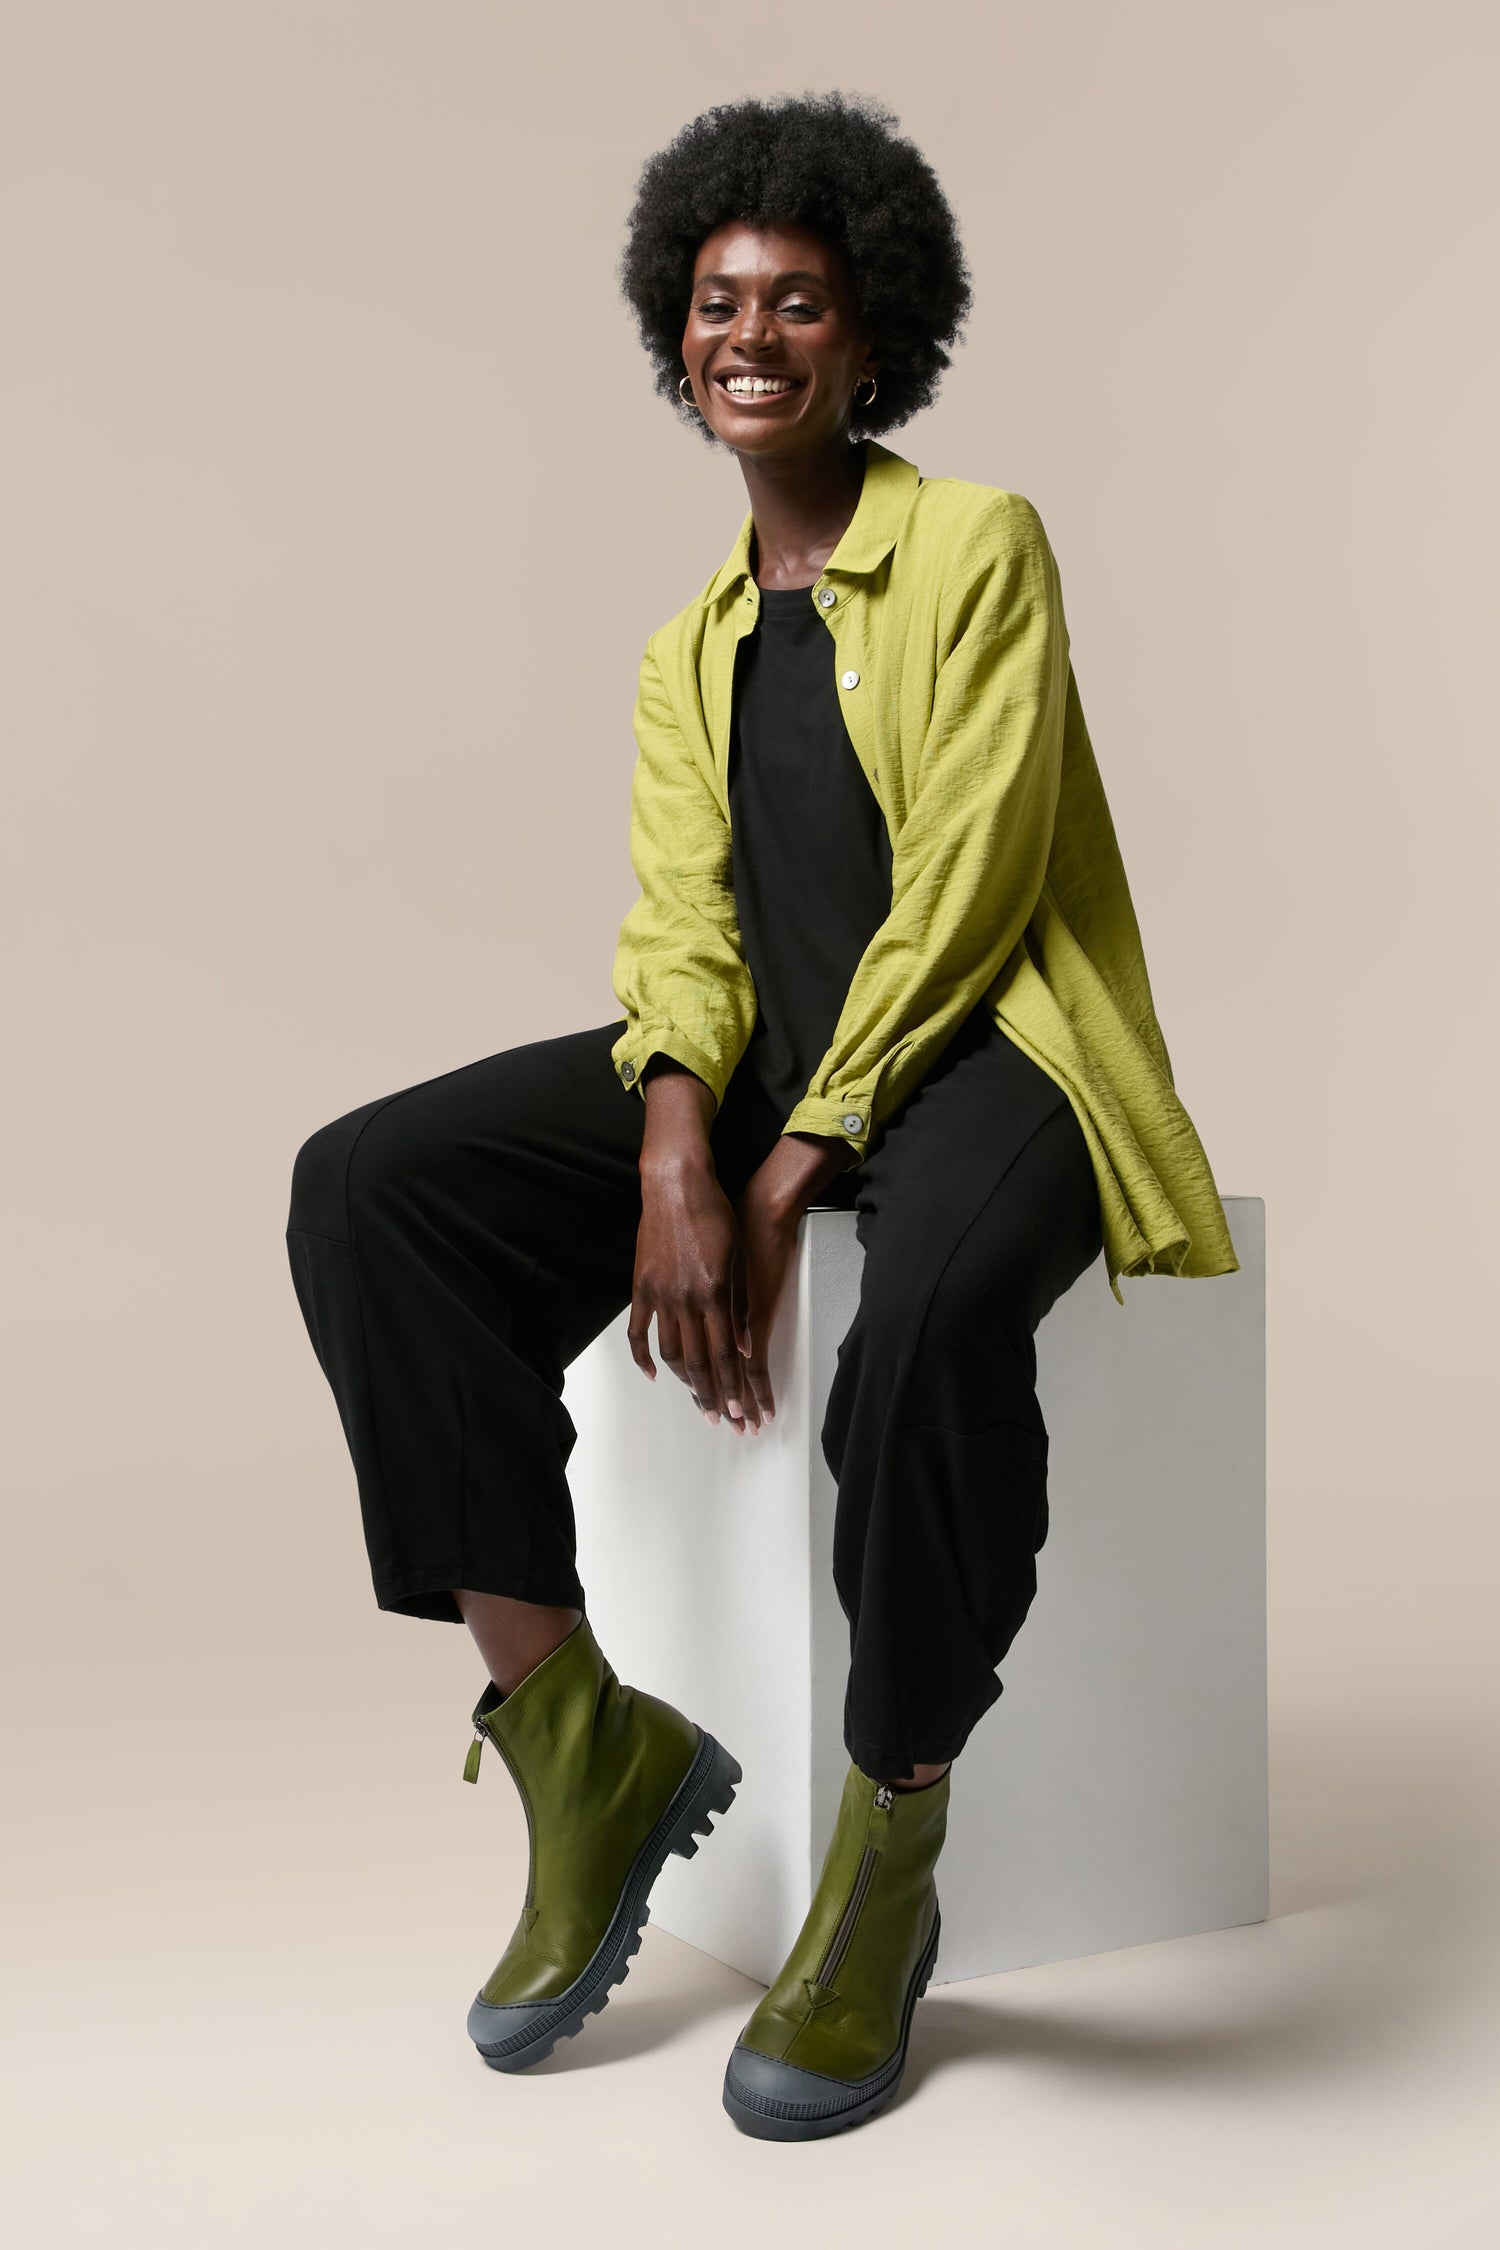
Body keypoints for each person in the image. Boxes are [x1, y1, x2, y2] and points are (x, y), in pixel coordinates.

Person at [285, 91, 1239, 2142]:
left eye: (796, 301)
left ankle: (888, 1841)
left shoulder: (978, 544)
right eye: (717, 301)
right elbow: (685, 934)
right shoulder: (685, 650)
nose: (751, 334)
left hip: (1002, 1056)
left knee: (919, 1346)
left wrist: (787, 1173)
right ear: (674, 331)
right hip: (782, 1069)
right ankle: (578, 1732)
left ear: (869, 331)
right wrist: (671, 1143)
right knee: (367, 1190)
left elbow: (979, 880)